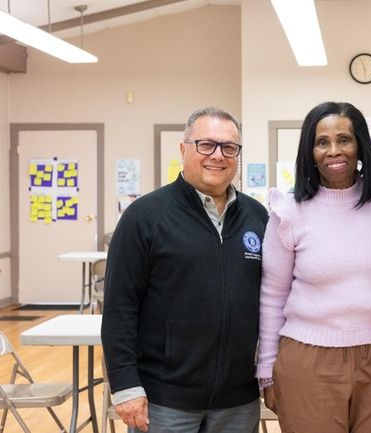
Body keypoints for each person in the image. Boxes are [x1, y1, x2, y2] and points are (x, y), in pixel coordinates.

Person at [101, 106, 268, 433]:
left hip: (238, 401)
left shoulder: (257, 217)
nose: (218, 156)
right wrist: (126, 386)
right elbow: (120, 307)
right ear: (183, 149)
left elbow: (272, 299)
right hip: (164, 400)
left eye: (229, 148)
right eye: (206, 145)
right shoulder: (144, 217)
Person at [256, 101, 371, 433]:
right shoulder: (289, 211)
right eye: (322, 142)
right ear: (310, 151)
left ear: (360, 145)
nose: (333, 151)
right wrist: (266, 370)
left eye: (344, 139)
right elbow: (272, 296)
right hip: (308, 359)